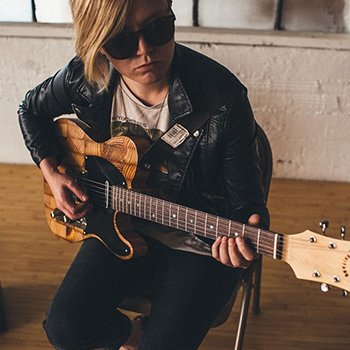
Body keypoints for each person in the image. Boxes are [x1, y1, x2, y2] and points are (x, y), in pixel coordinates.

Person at [18, 0, 269, 349]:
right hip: (118, 222)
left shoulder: (223, 97)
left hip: (199, 243)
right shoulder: (88, 77)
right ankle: (134, 334)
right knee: (63, 328)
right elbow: (30, 110)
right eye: (122, 41)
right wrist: (52, 172)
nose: (145, 50)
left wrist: (246, 237)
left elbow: (247, 205)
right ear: (99, 44)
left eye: (157, 29)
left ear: (170, 14)